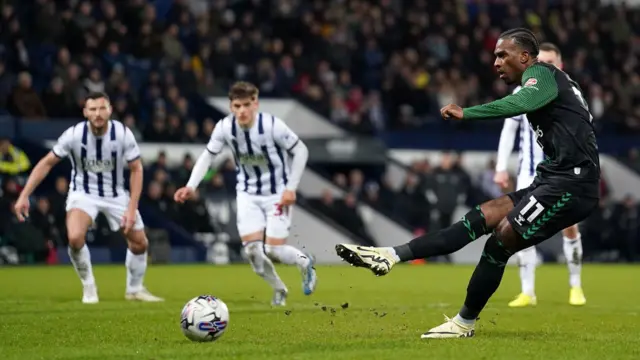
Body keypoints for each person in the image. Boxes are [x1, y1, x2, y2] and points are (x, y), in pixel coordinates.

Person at [335, 28, 599, 339]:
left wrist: (467, 113)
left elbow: (519, 104)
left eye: (503, 55)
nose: (496, 62)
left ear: (525, 57)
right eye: (495, 56)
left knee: (501, 239)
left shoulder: (542, 73)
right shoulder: (556, 83)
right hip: (552, 177)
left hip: (572, 184)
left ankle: (464, 323)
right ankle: (390, 256)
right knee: (481, 216)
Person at [174, 81, 317, 306]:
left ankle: (304, 263)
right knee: (252, 252)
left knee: (273, 250)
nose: (242, 111)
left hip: (277, 194)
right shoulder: (224, 127)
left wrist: (291, 188)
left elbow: (301, 150)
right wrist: (191, 186)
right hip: (248, 194)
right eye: (237, 105)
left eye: (246, 105)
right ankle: (279, 289)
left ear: (256, 104)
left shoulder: (272, 126)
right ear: (231, 106)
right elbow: (207, 156)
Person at [14, 92, 163, 304]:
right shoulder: (74, 135)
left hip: (116, 195)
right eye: (92, 109)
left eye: (102, 108)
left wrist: (131, 207)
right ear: (85, 112)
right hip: (83, 194)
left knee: (140, 244)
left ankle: (134, 289)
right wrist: (24, 195)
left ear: (110, 110)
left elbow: (136, 169)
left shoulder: (122, 134)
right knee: (75, 238)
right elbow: (47, 162)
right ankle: (89, 286)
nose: (98, 114)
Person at [494, 42, 586, 307]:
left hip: (565, 172)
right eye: (541, 62)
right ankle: (527, 291)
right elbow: (508, 130)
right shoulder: (524, 91)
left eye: (551, 63)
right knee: (519, 228)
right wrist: (501, 167)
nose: (546, 67)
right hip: (529, 174)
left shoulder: (570, 92)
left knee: (569, 227)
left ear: (560, 65)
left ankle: (576, 286)